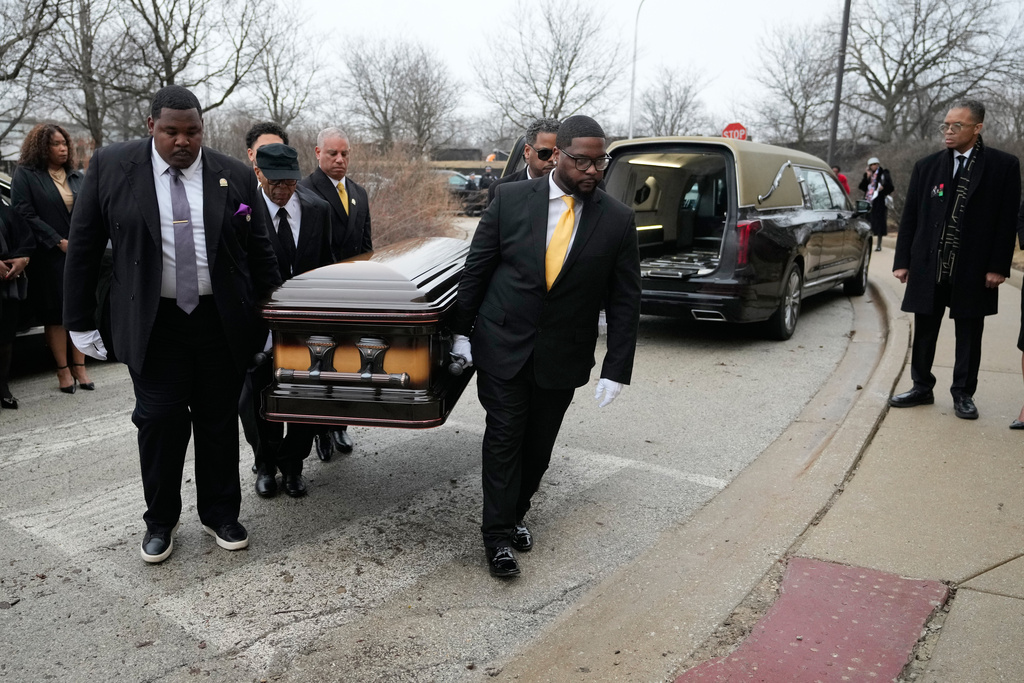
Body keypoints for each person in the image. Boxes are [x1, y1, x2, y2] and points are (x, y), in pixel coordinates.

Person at [63, 85, 282, 564]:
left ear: (202, 130)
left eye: (192, 132)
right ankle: (160, 521)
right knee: (159, 421)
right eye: (171, 131)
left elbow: (259, 252)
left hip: (219, 322)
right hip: (153, 321)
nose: (183, 141)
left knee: (218, 420)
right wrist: (78, 322)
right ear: (151, 128)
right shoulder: (112, 167)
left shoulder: (235, 175)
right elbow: (82, 248)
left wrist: (270, 316)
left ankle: (220, 513)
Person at [452, 115, 641, 578]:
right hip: (502, 342)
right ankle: (496, 536)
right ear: (557, 155)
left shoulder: (617, 221)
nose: (593, 171)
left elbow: (625, 298)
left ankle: (515, 513)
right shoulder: (511, 199)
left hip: (563, 352)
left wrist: (617, 366)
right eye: (583, 161)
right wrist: (459, 332)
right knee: (504, 437)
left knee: (538, 449)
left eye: (601, 162)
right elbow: (477, 269)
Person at [890, 99, 1020, 421]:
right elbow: (911, 218)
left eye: (956, 126)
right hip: (929, 263)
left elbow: (1007, 221)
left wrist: (997, 266)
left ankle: (963, 393)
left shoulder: (1003, 166)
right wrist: (902, 260)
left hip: (974, 267)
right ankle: (922, 386)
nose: (948, 131)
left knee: (969, 330)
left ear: (977, 128)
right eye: (945, 125)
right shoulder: (927, 166)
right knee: (924, 329)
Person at [246, 143, 333, 497]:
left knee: (308, 397)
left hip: (305, 324)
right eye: (274, 183)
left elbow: (327, 266)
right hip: (259, 326)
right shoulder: (241, 211)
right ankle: (265, 463)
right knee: (257, 399)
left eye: (290, 183)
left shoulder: (318, 209)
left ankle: (293, 465)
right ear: (258, 174)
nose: (282, 190)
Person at [298, 126, 372, 460]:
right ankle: (320, 431)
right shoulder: (304, 191)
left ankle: (340, 422)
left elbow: (366, 246)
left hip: (354, 295)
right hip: (321, 295)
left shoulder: (358, 192)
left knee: (349, 362)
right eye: (332, 153)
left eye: (345, 154)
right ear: (318, 153)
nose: (340, 160)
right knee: (321, 363)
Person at [11, 123, 95, 394]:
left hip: (78, 252)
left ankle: (81, 368)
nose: (63, 148)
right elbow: (23, 213)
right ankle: (62, 371)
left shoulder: (75, 175)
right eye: (56, 144)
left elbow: (89, 211)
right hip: (49, 255)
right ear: (41, 147)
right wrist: (57, 241)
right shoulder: (26, 175)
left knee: (80, 310)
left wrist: (81, 242)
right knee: (56, 314)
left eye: (65, 144)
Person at [0, 199, 34, 410]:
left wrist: (23, 259)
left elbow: (25, 237)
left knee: (4, 338)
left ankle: (3, 386)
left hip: (7, 283)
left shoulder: (3, 205)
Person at [488, 118, 560, 203]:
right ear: (527, 151)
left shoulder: (573, 189)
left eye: (558, 153)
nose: (552, 159)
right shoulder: (502, 191)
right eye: (544, 153)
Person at [858, 157, 895, 251]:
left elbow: (891, 187)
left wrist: (883, 187)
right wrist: (867, 177)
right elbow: (862, 187)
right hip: (869, 201)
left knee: (880, 223)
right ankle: (866, 244)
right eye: (872, 165)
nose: (874, 166)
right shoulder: (868, 174)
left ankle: (879, 244)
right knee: (867, 222)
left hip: (880, 201)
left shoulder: (884, 173)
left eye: (875, 164)